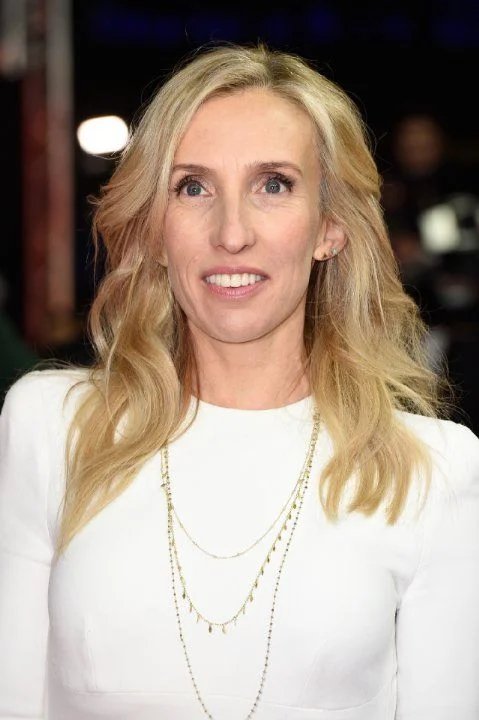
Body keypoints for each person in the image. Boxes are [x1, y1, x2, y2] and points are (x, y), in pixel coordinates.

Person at [1, 42, 478, 720]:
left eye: (273, 185)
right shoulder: (52, 427)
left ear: (330, 227)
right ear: (155, 228)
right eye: (193, 187)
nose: (230, 233)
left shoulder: (432, 470)